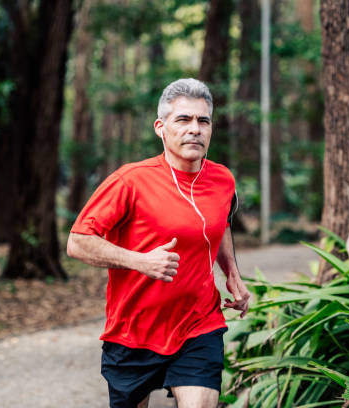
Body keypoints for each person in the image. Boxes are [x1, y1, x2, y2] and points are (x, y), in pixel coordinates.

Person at [67, 78, 250, 408]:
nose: (194, 129)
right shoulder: (131, 180)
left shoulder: (223, 179)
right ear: (160, 127)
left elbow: (220, 222)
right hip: (133, 332)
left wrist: (232, 275)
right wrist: (139, 261)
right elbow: (78, 241)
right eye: (183, 119)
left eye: (203, 120)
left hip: (198, 325)